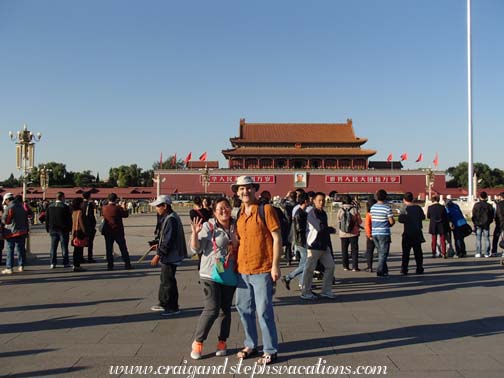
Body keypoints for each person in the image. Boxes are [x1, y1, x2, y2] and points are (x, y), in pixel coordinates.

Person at [232, 176, 281, 365]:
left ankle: (270, 350)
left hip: (262, 268)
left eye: (248, 188)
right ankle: (250, 344)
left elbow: (277, 238)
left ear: (255, 189)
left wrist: (275, 265)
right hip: (243, 269)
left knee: (263, 311)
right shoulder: (240, 213)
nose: (245, 192)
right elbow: (240, 240)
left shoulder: (265, 210)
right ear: (237, 193)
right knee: (243, 309)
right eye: (241, 189)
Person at [189, 198, 239, 360]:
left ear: (231, 208)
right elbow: (195, 249)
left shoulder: (237, 225)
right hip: (210, 273)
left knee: (225, 310)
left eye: (226, 207)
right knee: (212, 309)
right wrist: (195, 235)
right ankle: (198, 341)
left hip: (230, 272)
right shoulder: (208, 226)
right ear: (214, 212)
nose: (224, 211)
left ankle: (222, 341)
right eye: (220, 209)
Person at [149, 195, 187, 316]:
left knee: (168, 281)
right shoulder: (169, 217)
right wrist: (157, 245)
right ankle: (164, 302)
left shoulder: (171, 219)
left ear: (165, 206)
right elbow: (164, 238)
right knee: (165, 280)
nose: (156, 209)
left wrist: (158, 255)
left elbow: (168, 241)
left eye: (158, 206)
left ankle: (172, 306)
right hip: (170, 254)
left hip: (171, 255)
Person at [301, 192, 336, 299]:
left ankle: (326, 290)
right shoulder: (312, 213)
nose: (321, 202)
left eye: (323, 200)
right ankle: (305, 292)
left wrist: (328, 244)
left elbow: (323, 229)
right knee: (309, 269)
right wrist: (330, 229)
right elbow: (319, 227)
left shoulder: (323, 213)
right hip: (314, 245)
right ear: (314, 201)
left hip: (324, 246)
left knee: (330, 266)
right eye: (319, 200)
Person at [281, 192, 309, 290]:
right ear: (306, 201)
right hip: (301, 241)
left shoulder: (299, 211)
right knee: (307, 263)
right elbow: (299, 229)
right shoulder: (300, 213)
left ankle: (302, 283)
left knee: (303, 262)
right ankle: (288, 277)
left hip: (298, 241)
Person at [101, 193, 133, 270]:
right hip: (118, 231)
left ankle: (110, 265)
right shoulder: (117, 208)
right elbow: (125, 215)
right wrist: (123, 207)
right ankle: (127, 264)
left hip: (108, 231)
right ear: (116, 199)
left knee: (109, 249)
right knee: (123, 248)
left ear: (108, 199)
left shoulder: (104, 208)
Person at [398, 192, 425, 275]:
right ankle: (419, 268)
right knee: (418, 252)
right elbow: (423, 217)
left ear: (404, 199)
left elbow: (400, 220)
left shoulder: (404, 208)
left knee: (406, 252)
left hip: (408, 232)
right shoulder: (418, 207)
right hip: (417, 231)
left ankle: (404, 269)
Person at [1, 193, 29, 274]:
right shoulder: (21, 207)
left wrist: (2, 219)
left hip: (12, 232)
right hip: (22, 231)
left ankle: (9, 267)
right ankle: (21, 266)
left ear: (7, 200)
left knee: (10, 250)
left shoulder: (10, 207)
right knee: (20, 249)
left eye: (5, 201)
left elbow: (6, 220)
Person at [370, 189, 395, 277]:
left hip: (374, 232)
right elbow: (391, 221)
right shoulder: (387, 208)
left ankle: (385, 270)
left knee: (380, 252)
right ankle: (380, 270)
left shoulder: (372, 207)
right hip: (383, 232)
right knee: (384, 253)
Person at [46, 192, 72, 269]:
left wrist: (47, 228)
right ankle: (65, 262)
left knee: (53, 247)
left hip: (52, 229)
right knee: (64, 247)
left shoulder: (50, 206)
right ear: (62, 197)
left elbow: (47, 218)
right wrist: (70, 228)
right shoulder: (65, 207)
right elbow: (68, 219)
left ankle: (52, 262)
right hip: (63, 229)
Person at [336, 194, 362, 271]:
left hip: (343, 233)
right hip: (354, 233)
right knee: (354, 250)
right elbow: (359, 221)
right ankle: (355, 267)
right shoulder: (354, 210)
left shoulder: (340, 210)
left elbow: (338, 220)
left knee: (344, 250)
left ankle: (345, 266)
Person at [471, 191, 494, 258]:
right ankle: (486, 253)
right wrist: (489, 222)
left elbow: (473, 215)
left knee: (478, 239)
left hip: (478, 224)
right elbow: (492, 215)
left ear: (480, 197)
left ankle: (478, 252)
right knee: (487, 239)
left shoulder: (476, 205)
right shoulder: (489, 205)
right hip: (486, 224)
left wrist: (475, 223)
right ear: (486, 197)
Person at [71, 198, 87, 272]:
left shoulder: (74, 212)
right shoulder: (80, 212)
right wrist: (85, 233)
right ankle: (77, 265)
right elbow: (82, 224)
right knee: (79, 250)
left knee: (76, 250)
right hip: (79, 232)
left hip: (74, 232)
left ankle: (75, 264)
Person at [81, 191, 97, 263]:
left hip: (81, 225)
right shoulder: (89, 204)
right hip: (89, 225)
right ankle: (89, 257)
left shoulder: (80, 204)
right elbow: (91, 215)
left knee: (81, 242)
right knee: (90, 242)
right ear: (89, 196)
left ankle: (80, 257)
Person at [364, 198, 377, 272]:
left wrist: (369, 235)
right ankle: (383, 267)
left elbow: (367, 225)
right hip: (379, 233)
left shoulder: (369, 214)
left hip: (371, 235)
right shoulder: (378, 212)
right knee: (381, 252)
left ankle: (369, 267)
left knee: (369, 251)